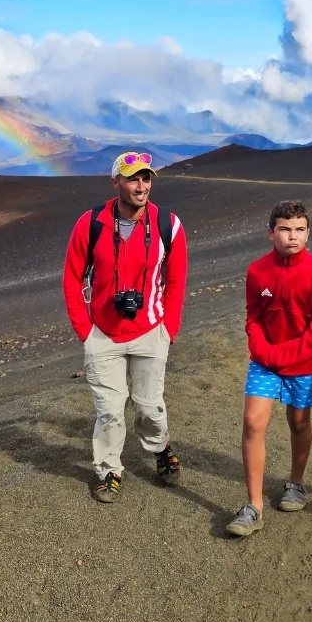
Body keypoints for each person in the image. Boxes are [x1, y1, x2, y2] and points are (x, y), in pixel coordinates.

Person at [62, 152, 188, 503]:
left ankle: (159, 447)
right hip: (103, 334)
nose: (141, 186)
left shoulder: (168, 224)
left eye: (146, 178)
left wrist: (169, 328)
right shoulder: (91, 224)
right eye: (133, 179)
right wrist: (85, 332)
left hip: (151, 331)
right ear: (115, 181)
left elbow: (176, 281)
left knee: (149, 406)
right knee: (109, 409)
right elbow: (72, 280)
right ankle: (108, 471)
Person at [226, 201, 312, 536]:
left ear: (308, 232)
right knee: (252, 422)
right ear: (271, 233)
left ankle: (296, 484)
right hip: (265, 361)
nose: (292, 236)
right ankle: (254, 506)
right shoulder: (257, 271)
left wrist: (285, 355)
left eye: (299, 229)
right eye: (285, 229)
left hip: (303, 363)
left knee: (299, 422)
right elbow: (253, 319)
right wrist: (264, 352)